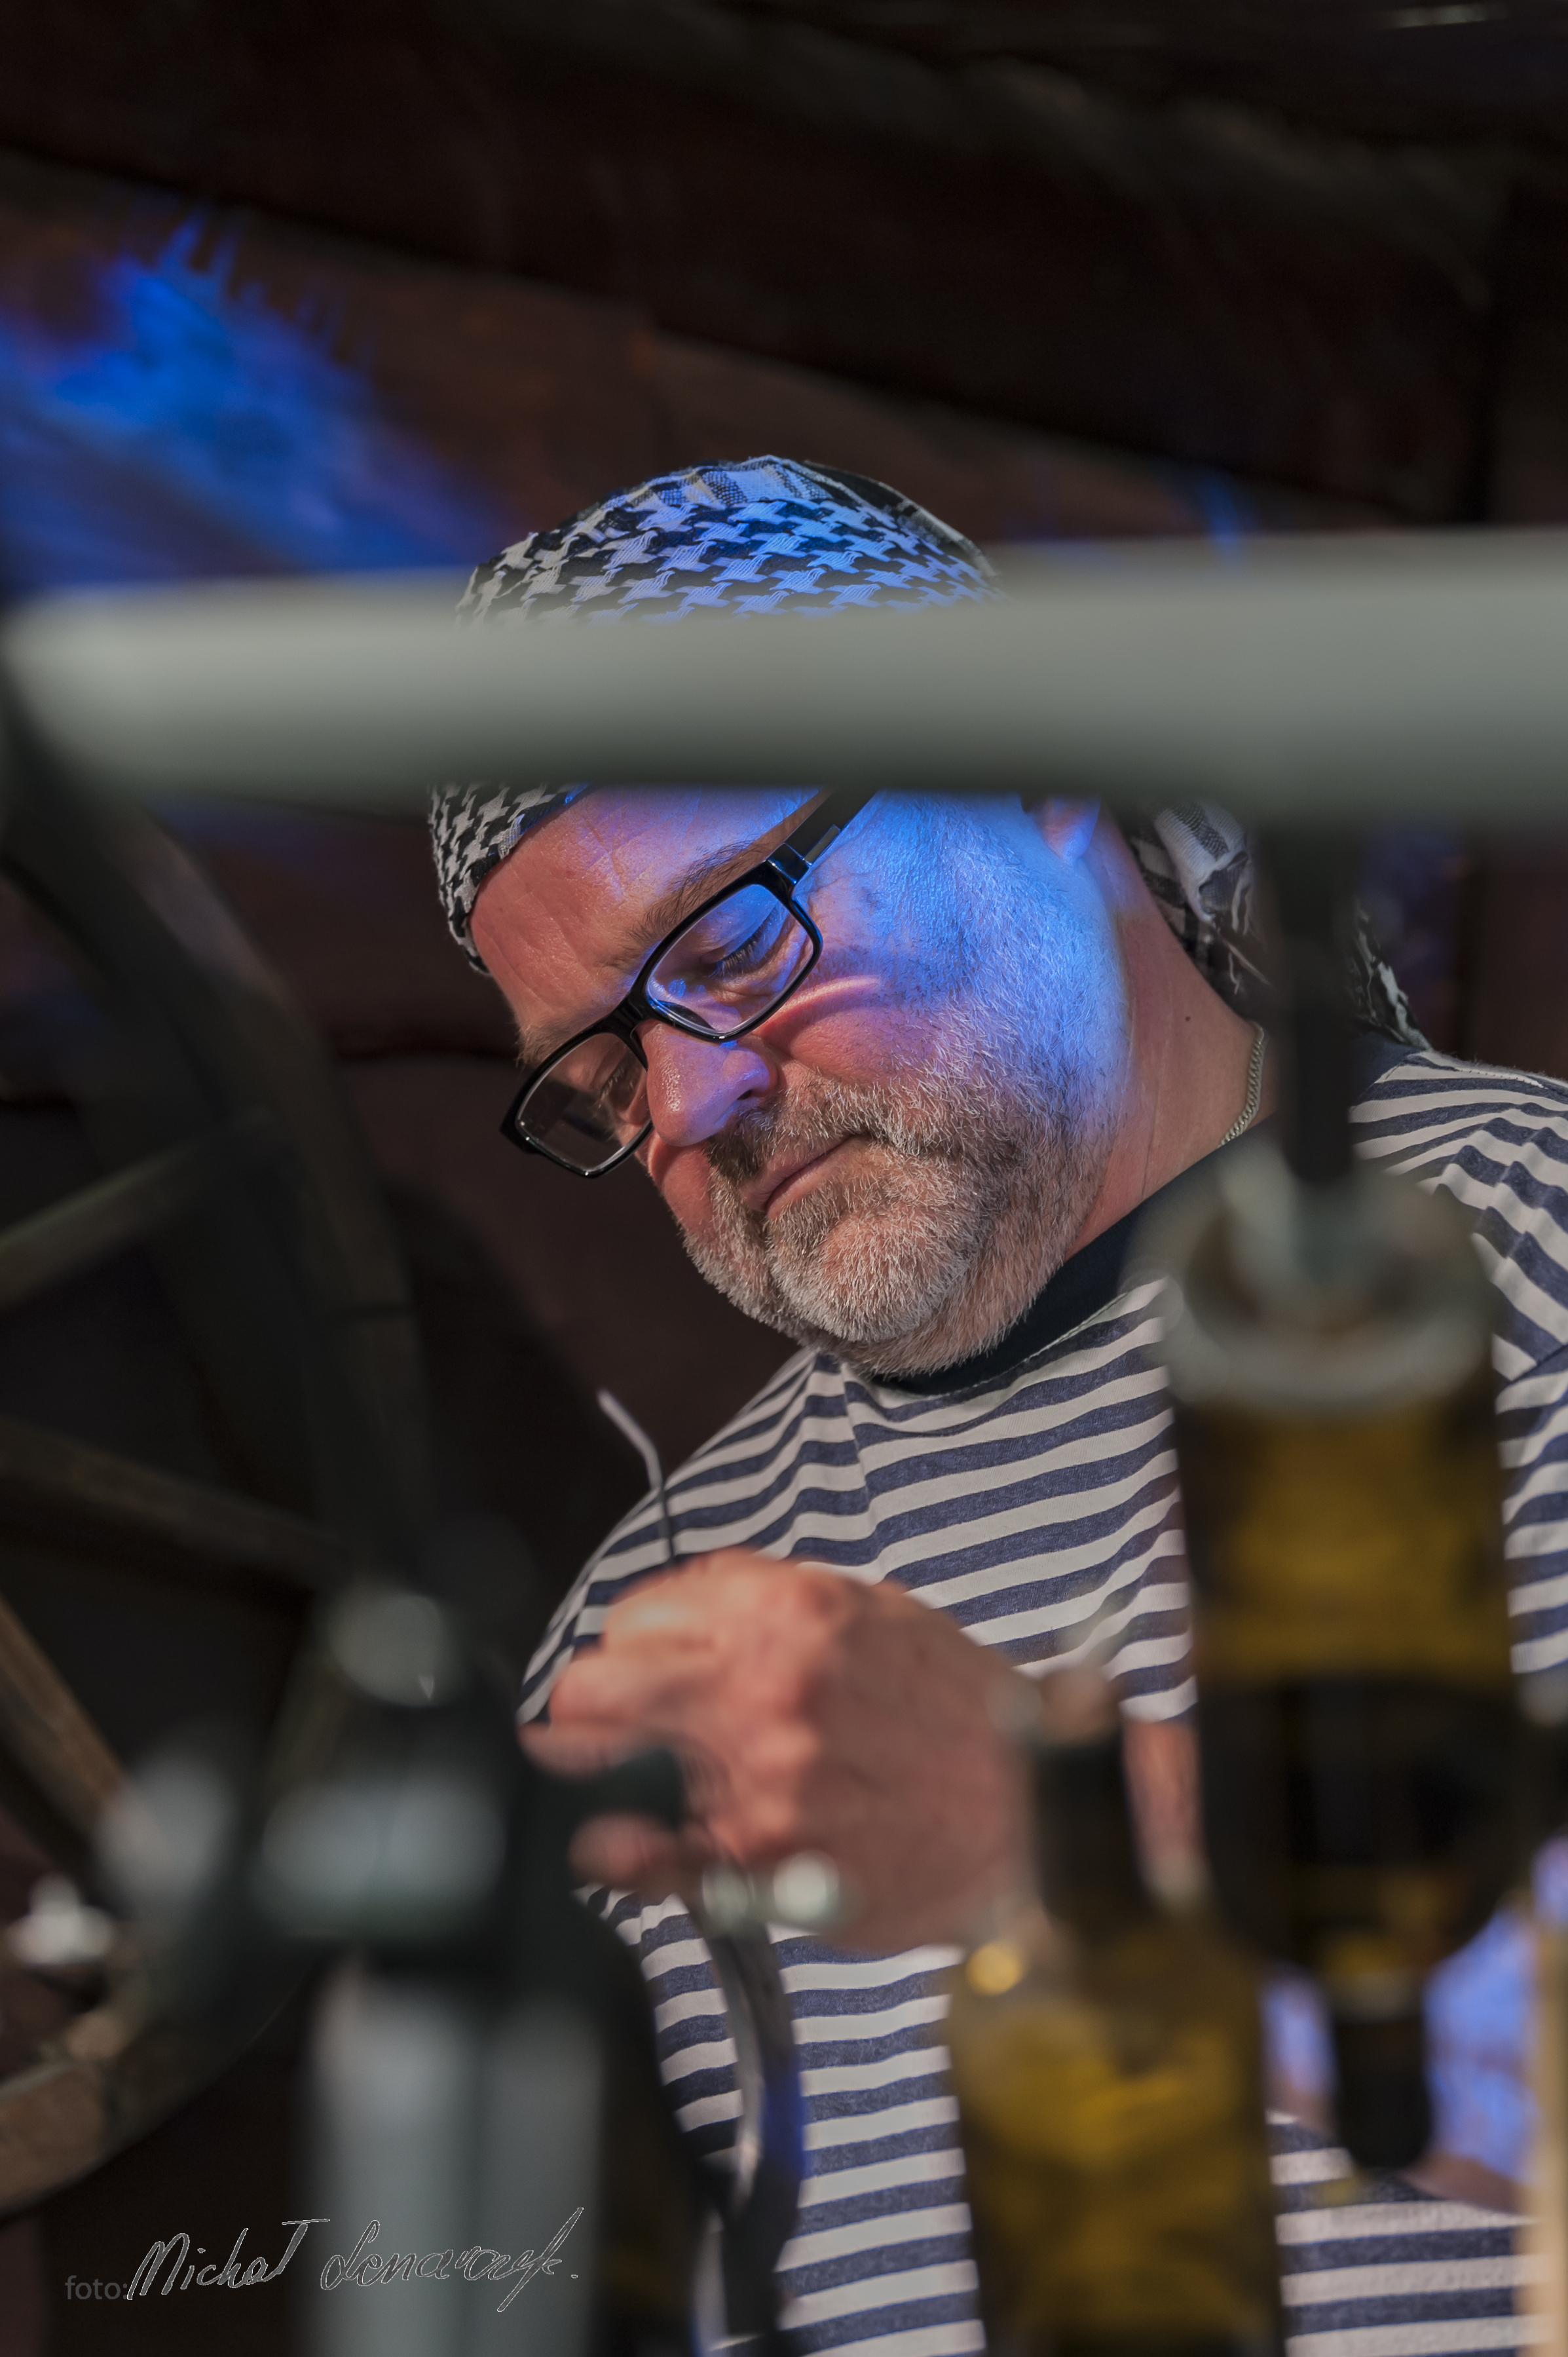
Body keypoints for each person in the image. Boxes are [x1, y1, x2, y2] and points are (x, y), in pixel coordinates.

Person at [430, 456, 1568, 2356]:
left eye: (731, 945)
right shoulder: (641, 1629)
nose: (693, 1104)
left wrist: (1054, 1834)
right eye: (607, 1076)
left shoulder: (1537, 1260)